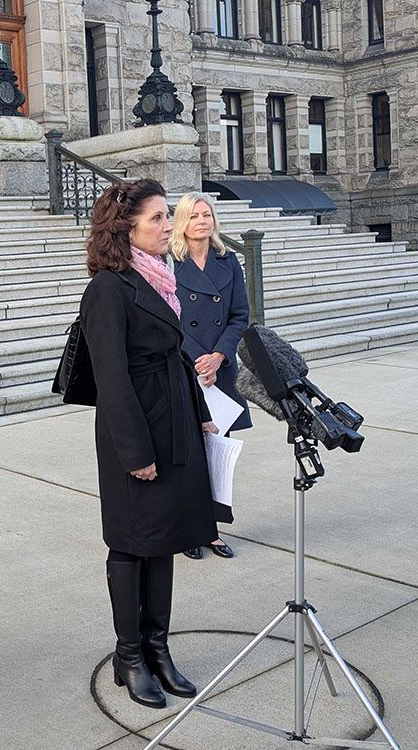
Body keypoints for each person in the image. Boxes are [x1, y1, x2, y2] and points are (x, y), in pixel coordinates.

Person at [79, 179, 219, 709]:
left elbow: (176, 355)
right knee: (131, 546)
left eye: (168, 216)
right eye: (159, 218)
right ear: (127, 227)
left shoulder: (162, 278)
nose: (169, 226)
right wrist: (136, 454)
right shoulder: (109, 288)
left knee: (165, 539)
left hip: (175, 422)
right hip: (134, 433)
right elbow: (112, 378)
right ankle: (130, 655)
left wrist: (201, 414)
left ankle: (158, 648)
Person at [169, 192, 252, 560]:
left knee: (217, 452)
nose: (203, 221)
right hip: (185, 368)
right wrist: (197, 357)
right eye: (195, 216)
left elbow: (239, 316)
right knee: (187, 454)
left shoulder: (227, 260)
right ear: (182, 222)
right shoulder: (168, 262)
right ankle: (188, 528)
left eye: (208, 215)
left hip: (219, 371)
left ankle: (213, 530)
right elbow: (167, 317)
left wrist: (219, 355)